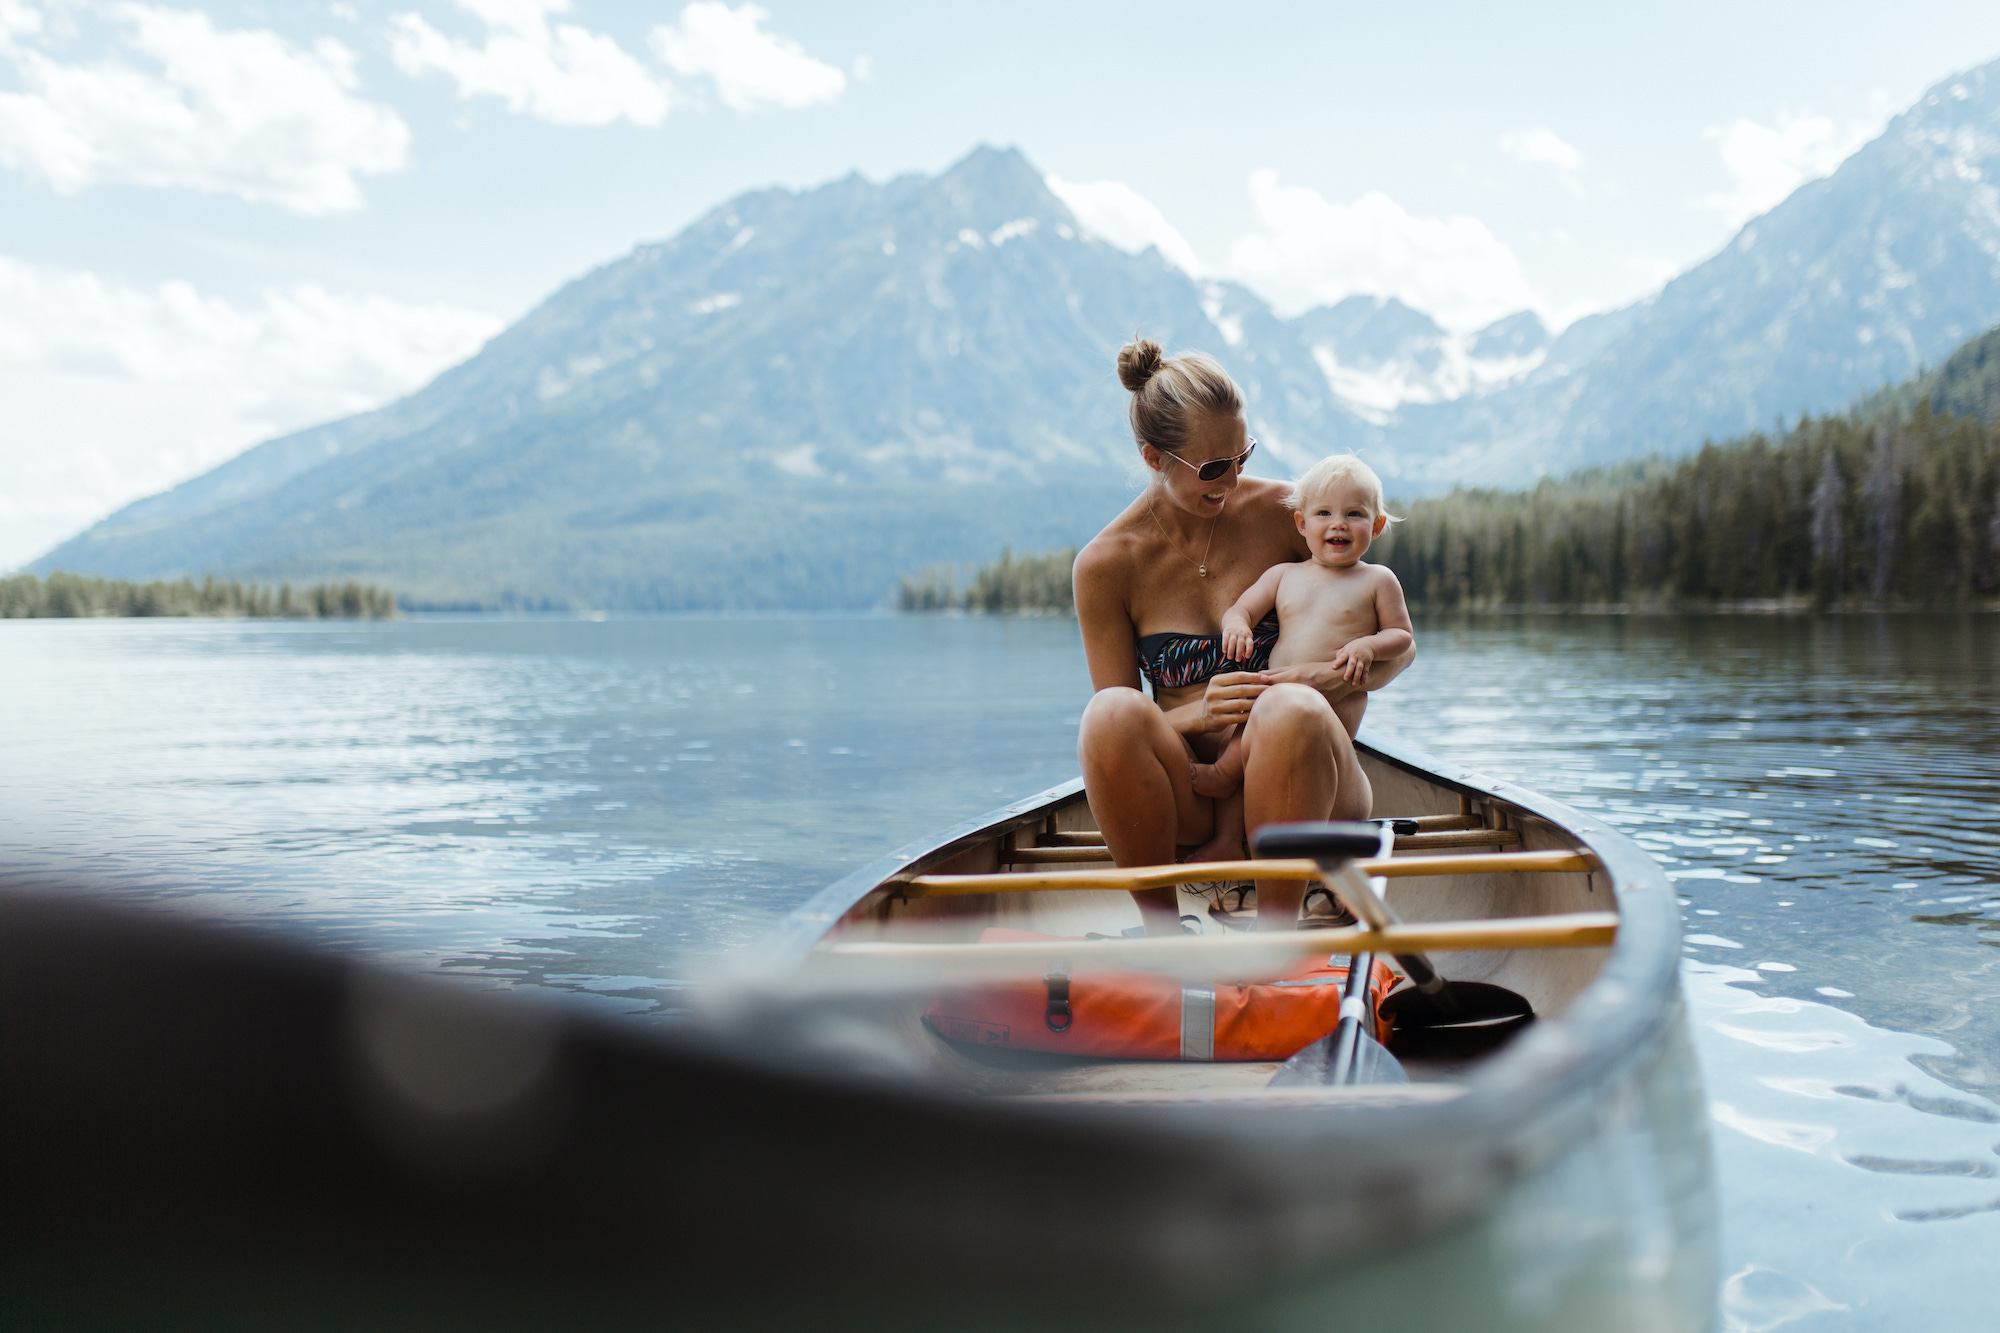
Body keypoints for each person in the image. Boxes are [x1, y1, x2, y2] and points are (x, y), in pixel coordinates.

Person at [1072, 339, 1416, 934]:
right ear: (1155, 459)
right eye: (1211, 468)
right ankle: (1160, 929)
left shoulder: (1286, 513)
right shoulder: (1107, 563)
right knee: (1107, 716)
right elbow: (1128, 720)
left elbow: (1393, 645)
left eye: (1242, 455)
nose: (1232, 479)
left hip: (1309, 788)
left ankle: (1276, 938)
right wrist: (1198, 715)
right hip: (1193, 797)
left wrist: (1318, 680)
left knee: (1287, 709)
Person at [1186, 455, 1414, 862]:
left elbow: (1401, 636)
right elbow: (1242, 609)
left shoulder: (1377, 580)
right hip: (1272, 691)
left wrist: (1368, 647)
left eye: (1354, 513)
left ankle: (1223, 777)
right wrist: (1236, 626)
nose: (1338, 523)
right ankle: (1225, 833)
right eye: (1324, 512)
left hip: (1335, 703)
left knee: (1294, 737)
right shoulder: (1283, 575)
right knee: (1249, 737)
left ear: (1377, 526)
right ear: (1302, 525)